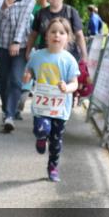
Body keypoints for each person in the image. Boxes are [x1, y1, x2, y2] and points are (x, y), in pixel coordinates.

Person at [22, 17, 80, 183]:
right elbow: (29, 72)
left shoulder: (69, 59)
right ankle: (41, 137)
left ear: (67, 38)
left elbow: (75, 83)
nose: (57, 35)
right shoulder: (37, 56)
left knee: (56, 140)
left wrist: (66, 88)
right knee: (42, 128)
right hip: (42, 105)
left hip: (60, 107)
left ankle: (53, 166)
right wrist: (27, 76)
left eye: (61, 32)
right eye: (53, 31)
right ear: (46, 36)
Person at [0, 0, 35, 133]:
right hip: (2, 43)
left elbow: (24, 19)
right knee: (4, 81)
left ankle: (10, 115)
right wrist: (3, 8)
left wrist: (17, 41)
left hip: (21, 44)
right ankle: (6, 110)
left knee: (16, 80)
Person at [26, 0, 88, 64]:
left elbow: (79, 35)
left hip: (68, 59)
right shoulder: (40, 13)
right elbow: (33, 35)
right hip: (46, 59)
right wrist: (28, 52)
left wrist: (84, 55)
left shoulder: (71, 12)